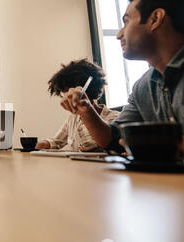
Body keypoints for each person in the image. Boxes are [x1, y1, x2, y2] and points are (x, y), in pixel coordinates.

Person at [60, 0, 184, 154]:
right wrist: (86, 110)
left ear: (155, 19)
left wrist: (152, 145)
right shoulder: (143, 86)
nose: (119, 35)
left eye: (126, 22)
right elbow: (112, 138)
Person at [36, 59, 120, 152]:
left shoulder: (114, 117)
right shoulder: (73, 118)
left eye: (67, 90)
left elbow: (111, 142)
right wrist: (34, 145)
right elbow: (55, 142)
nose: (66, 95)